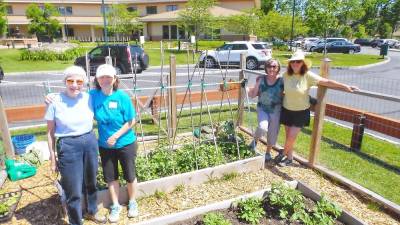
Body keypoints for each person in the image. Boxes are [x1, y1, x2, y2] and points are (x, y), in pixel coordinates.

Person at [275, 51, 359, 166]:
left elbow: (326, 82)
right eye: (293, 61)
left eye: (298, 61)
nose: (295, 64)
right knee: (289, 137)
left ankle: (281, 155)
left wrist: (345, 86)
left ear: (302, 63)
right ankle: (289, 159)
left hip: (300, 112)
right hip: (287, 109)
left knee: (291, 137)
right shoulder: (286, 75)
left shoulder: (308, 75)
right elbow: (276, 84)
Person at [45, 66, 105, 225]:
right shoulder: (55, 101)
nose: (74, 85)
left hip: (90, 141)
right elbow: (50, 132)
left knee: (91, 182)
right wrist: (52, 158)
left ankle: (92, 211)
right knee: (74, 189)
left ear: (84, 83)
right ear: (64, 82)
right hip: (68, 145)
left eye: (79, 81)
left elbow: (107, 91)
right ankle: (76, 221)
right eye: (70, 81)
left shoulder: (88, 97)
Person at [91, 64, 139, 223]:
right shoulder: (93, 95)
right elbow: (73, 96)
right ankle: (116, 205)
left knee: (130, 175)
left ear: (114, 79)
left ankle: (132, 202)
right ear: (97, 80)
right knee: (111, 177)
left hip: (125, 143)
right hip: (106, 146)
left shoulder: (122, 97)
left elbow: (132, 121)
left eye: (108, 77)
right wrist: (53, 98)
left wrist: (116, 136)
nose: (105, 80)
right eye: (101, 77)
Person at [248, 59, 284, 164]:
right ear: (266, 68)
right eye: (269, 66)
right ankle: (254, 142)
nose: (271, 68)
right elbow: (254, 94)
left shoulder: (282, 81)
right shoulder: (261, 79)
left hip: (276, 110)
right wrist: (246, 89)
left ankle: (268, 152)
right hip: (262, 108)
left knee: (273, 132)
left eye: (274, 66)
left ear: (278, 68)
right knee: (262, 127)